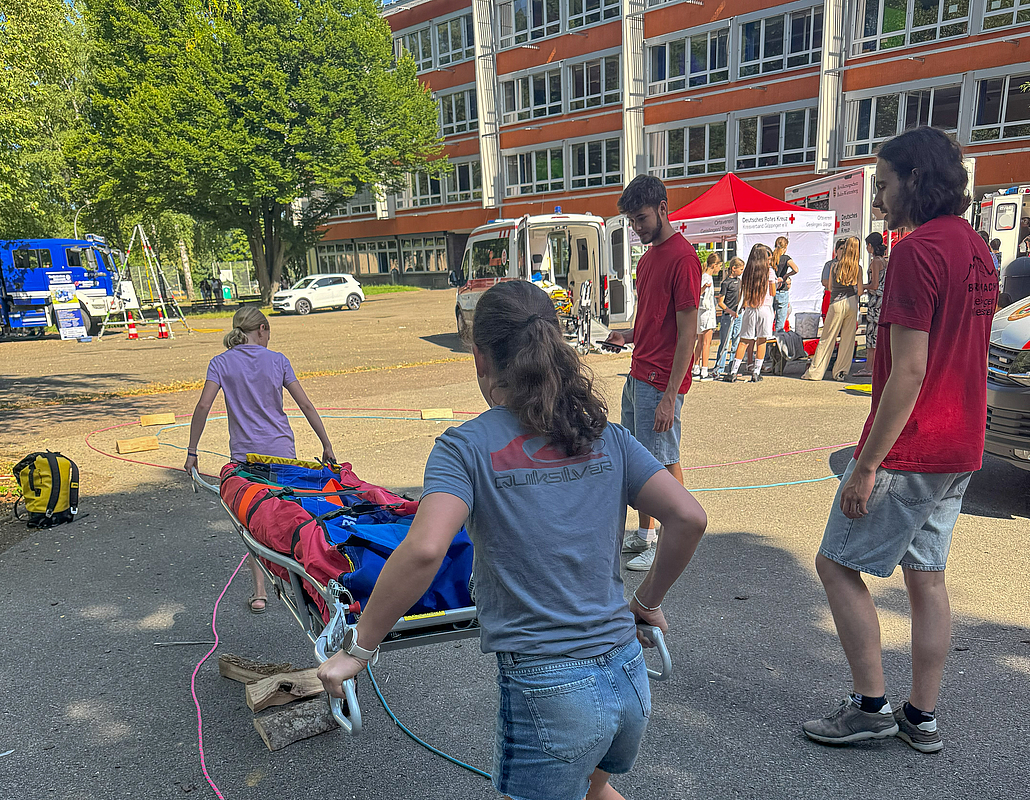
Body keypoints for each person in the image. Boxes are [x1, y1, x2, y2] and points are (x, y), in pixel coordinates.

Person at [317, 281, 708, 800]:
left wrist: (359, 649)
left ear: (481, 357)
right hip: (627, 675)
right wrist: (647, 601)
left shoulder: (464, 447)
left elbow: (426, 549)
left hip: (550, 690)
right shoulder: (605, 435)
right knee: (596, 789)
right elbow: (688, 517)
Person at [803, 127, 996, 753]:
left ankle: (869, 707)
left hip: (914, 443)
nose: (879, 199)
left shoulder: (918, 252)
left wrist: (865, 466)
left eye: (884, 185)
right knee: (927, 577)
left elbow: (909, 370)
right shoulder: (977, 248)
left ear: (915, 180)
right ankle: (922, 715)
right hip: (961, 441)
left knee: (836, 563)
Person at [184, 306, 337, 613]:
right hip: (282, 453)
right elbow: (305, 405)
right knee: (289, 517)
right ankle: (303, 585)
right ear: (262, 329)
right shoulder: (278, 360)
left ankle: (260, 592)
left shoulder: (221, 362)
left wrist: (192, 451)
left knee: (252, 521)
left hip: (245, 458)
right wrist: (326, 443)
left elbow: (202, 406)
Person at [602, 175, 701, 572]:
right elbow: (653, 320)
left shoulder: (683, 258)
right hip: (638, 374)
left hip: (661, 381)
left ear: (663, 208)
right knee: (643, 458)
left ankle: (670, 539)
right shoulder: (646, 260)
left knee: (658, 462)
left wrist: (670, 396)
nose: (636, 228)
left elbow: (688, 332)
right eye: (631, 221)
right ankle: (647, 533)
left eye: (641, 218)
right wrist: (627, 336)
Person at [803, 237, 863, 382]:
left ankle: (816, 372)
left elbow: (829, 287)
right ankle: (840, 372)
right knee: (847, 339)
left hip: (836, 302)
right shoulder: (858, 268)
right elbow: (860, 291)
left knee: (827, 338)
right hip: (851, 302)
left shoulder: (834, 266)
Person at [723, 244, 776, 383]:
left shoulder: (747, 272)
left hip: (750, 309)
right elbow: (773, 292)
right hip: (765, 308)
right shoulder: (769, 272)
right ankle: (756, 372)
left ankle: (733, 371)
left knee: (744, 340)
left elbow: (744, 292)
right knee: (761, 340)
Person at [854, 232, 888, 378]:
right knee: (877, 334)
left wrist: (861, 286)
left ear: (870, 245)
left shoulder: (875, 262)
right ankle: (874, 366)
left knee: (871, 334)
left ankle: (869, 367)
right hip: (882, 300)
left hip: (875, 301)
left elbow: (874, 284)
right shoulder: (884, 261)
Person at [714, 257, 744, 376]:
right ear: (733, 268)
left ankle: (732, 368)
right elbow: (720, 302)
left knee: (736, 342)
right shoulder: (726, 283)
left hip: (738, 315)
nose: (741, 271)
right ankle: (719, 368)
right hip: (728, 316)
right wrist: (730, 311)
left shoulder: (740, 282)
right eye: (740, 269)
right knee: (725, 343)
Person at [692, 253, 720, 382]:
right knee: (706, 342)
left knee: (700, 341)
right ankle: (704, 370)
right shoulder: (706, 278)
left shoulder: (704, 276)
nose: (719, 268)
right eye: (719, 265)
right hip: (706, 312)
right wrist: (704, 288)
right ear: (714, 265)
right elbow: (698, 292)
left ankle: (696, 368)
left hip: (702, 313)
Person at [771, 236, 799, 333]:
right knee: (780, 322)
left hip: (771, 290)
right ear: (785, 247)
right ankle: (778, 339)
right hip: (782, 290)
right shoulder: (786, 258)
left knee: (769, 319)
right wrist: (786, 275)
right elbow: (796, 269)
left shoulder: (771, 257)